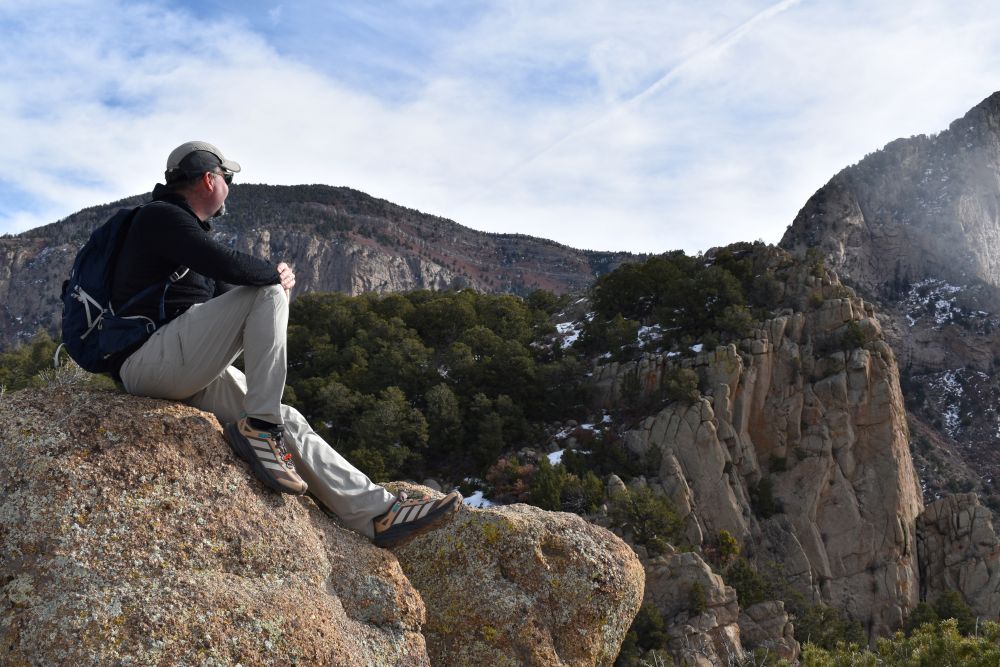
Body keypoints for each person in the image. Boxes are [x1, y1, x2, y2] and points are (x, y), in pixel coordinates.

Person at [110, 141, 460, 547]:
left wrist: (275, 289)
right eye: (227, 177)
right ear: (209, 179)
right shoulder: (162, 217)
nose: (230, 186)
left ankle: (380, 516)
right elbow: (232, 268)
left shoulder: (183, 236)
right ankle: (260, 429)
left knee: (287, 418)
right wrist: (274, 278)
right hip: (148, 361)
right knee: (268, 296)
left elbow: (239, 300)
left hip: (177, 366)